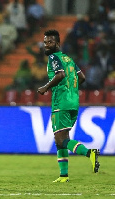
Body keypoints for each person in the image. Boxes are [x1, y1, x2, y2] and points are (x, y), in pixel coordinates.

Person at [37, 30, 100, 183]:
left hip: (61, 101)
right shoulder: (68, 59)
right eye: (45, 42)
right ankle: (63, 176)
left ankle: (89, 153)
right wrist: (71, 89)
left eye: (50, 42)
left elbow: (60, 75)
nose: (47, 45)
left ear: (57, 43)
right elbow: (82, 77)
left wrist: (46, 87)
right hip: (73, 102)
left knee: (59, 139)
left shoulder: (54, 57)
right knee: (63, 138)